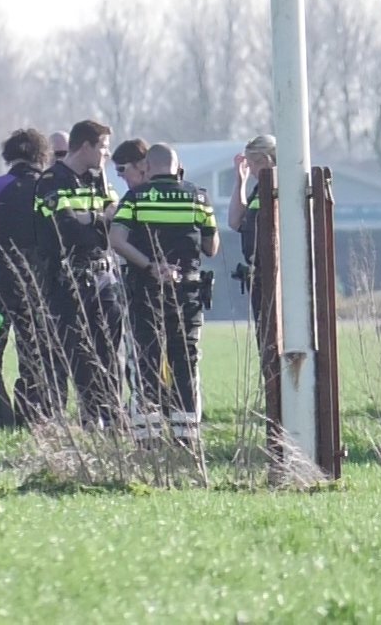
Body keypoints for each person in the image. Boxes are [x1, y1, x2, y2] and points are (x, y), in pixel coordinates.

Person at [110, 143, 220, 444]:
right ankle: (187, 438)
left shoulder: (135, 198)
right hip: (188, 295)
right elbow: (211, 247)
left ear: (148, 166)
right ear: (177, 166)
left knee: (146, 360)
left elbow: (117, 240)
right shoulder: (199, 198)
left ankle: (149, 438)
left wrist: (150, 265)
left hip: (145, 292)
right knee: (185, 361)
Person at [0, 128, 60, 428]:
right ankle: (33, 416)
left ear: (9, 156)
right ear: (42, 156)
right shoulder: (51, 188)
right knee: (34, 349)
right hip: (39, 282)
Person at [37, 119, 123, 428]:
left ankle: (114, 417)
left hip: (105, 278)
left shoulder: (99, 181)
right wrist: (100, 221)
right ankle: (90, 418)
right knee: (82, 355)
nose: (106, 155)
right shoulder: (51, 181)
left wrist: (92, 220)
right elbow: (68, 229)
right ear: (85, 146)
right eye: (102, 147)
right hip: (69, 281)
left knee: (111, 353)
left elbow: (119, 217)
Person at [229, 134, 279, 384]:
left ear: (268, 160)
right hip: (258, 276)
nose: (252, 169)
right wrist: (240, 181)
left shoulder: (281, 186)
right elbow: (235, 222)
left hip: (275, 277)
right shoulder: (260, 188)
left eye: (254, 163)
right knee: (265, 341)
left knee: (275, 341)